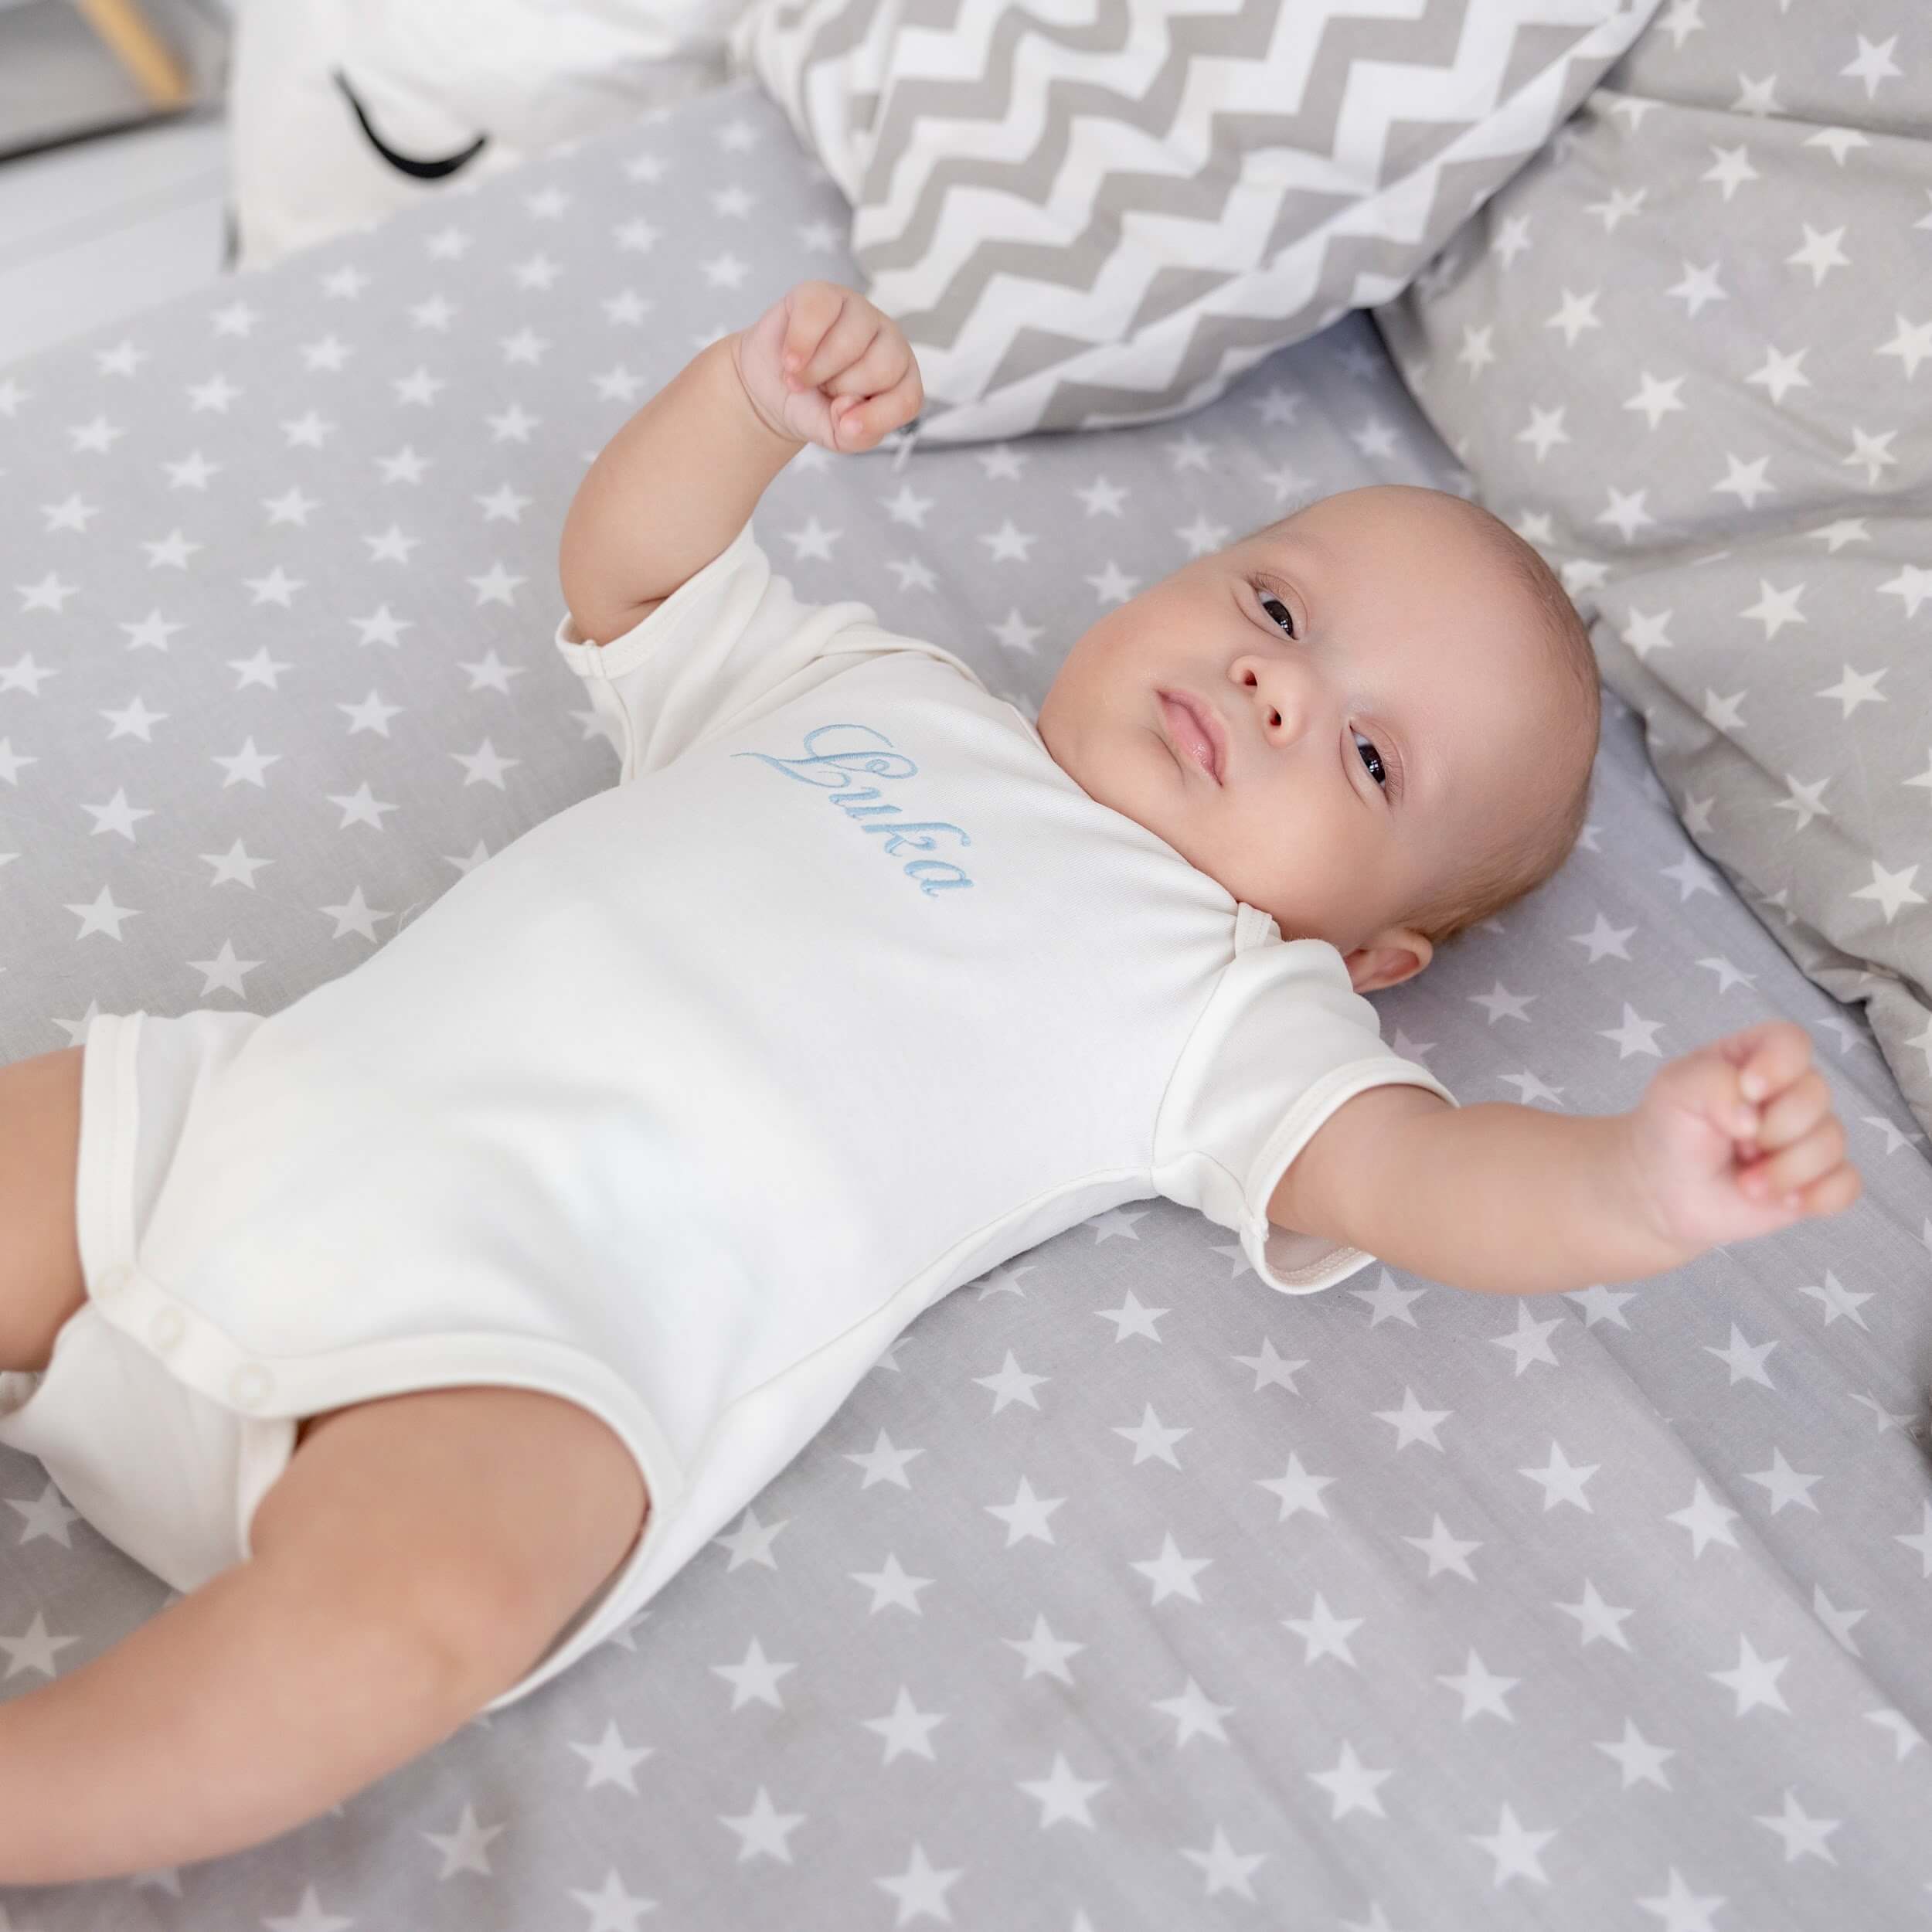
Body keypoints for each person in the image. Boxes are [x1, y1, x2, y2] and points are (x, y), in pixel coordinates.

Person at [0, 281, 1862, 1885]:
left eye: (1368, 760)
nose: (1278, 687)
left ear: (1376, 957)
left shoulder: (1226, 1005)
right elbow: (634, 574)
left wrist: (1632, 1182)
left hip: (528, 1350)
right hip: (246, 1122)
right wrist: (742, 407)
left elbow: (1422, 1181)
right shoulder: (863, 685)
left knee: (415, 1619)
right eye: (1277, 608)